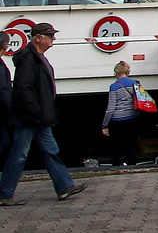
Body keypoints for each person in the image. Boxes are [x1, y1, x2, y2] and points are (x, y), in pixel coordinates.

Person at [1, 23, 85, 206]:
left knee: (50, 150)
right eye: (49, 35)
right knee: (20, 154)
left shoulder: (36, 58)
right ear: (38, 38)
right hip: (29, 118)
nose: (52, 39)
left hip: (38, 118)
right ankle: (5, 193)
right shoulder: (29, 59)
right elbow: (23, 89)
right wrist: (37, 111)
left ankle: (64, 187)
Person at [101, 61, 141, 167]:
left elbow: (110, 108)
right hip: (133, 118)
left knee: (116, 146)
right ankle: (132, 165)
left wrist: (104, 125)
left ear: (116, 72)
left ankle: (116, 167)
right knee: (131, 144)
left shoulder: (114, 87)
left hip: (117, 121)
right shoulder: (136, 83)